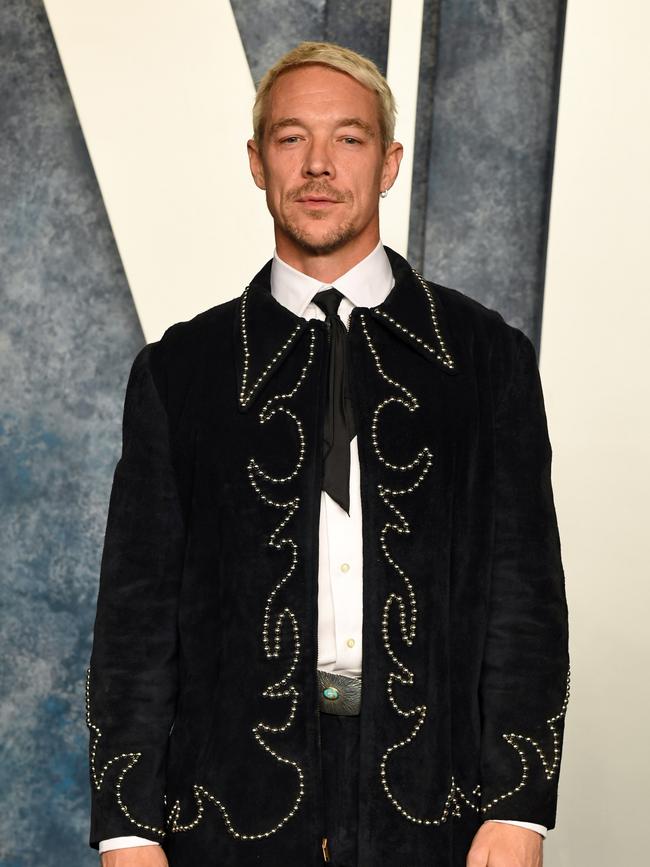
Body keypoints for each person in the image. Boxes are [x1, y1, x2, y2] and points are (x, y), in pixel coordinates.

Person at [86, 41, 570, 867]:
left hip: (438, 813)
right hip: (230, 816)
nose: (318, 165)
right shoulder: (182, 370)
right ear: (255, 160)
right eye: (290, 138)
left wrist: (521, 808)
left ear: (388, 163)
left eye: (347, 138)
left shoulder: (487, 358)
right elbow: (136, 616)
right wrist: (128, 831)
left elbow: (523, 599)